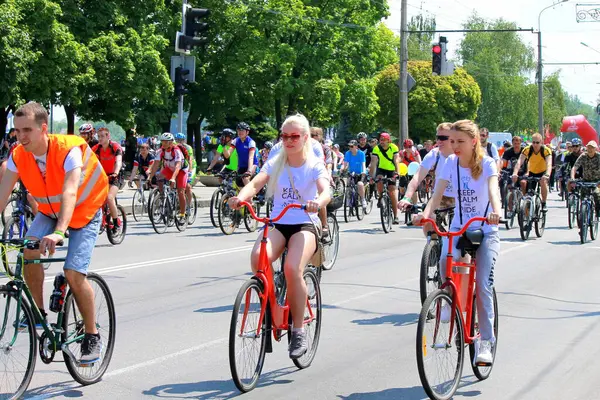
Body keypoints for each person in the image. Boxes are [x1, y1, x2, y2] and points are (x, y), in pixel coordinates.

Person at [0, 102, 108, 363]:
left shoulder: (68, 149)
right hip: (49, 211)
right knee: (28, 251)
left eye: (27, 130)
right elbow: (2, 193)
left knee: (74, 272)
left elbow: (70, 191)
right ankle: (37, 314)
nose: (21, 136)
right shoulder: (18, 155)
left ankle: (91, 336)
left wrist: (60, 232)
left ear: (43, 128)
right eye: (17, 130)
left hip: (84, 211)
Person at [228, 113, 330, 359]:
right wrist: (241, 197)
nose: (288, 140)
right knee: (257, 259)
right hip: (278, 222)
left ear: (305, 137)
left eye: (294, 136)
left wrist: (317, 202)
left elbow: (326, 189)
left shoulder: (314, 163)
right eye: (284, 136)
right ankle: (273, 308)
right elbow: (255, 183)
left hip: (304, 223)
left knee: (292, 268)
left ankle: (298, 329)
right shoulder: (276, 161)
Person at [413, 119, 501, 366]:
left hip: (485, 229)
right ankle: (450, 303)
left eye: (460, 141)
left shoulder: (486, 163)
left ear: (474, 142)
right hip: (459, 228)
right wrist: (426, 214)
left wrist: (496, 211)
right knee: (445, 264)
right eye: (452, 141)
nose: (455, 146)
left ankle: (485, 341)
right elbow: (437, 193)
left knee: (483, 285)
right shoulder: (450, 162)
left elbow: (494, 191)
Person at [400, 123, 454, 210]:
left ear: (453, 138)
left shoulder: (462, 154)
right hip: (439, 196)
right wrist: (407, 197)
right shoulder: (434, 154)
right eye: (437, 138)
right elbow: (417, 177)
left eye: (443, 138)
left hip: (461, 197)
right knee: (429, 220)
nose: (439, 141)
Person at [147, 133, 188, 219]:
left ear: (171, 142)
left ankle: (183, 213)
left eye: (166, 142)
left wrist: (173, 178)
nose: (164, 144)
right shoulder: (160, 151)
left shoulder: (176, 151)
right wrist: (150, 177)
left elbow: (178, 166)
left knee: (180, 191)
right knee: (159, 177)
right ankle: (163, 196)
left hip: (181, 170)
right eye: (162, 142)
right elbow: (155, 165)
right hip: (169, 168)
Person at [92, 127, 123, 231]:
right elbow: (88, 161)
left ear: (108, 136)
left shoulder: (115, 147)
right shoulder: (96, 148)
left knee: (110, 198)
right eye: (98, 136)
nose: (99, 138)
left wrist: (115, 172)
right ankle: (102, 219)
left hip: (115, 176)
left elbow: (118, 161)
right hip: (103, 177)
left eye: (102, 136)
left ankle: (116, 222)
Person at [512, 133, 552, 210]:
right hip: (532, 172)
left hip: (543, 172)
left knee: (543, 182)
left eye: (537, 142)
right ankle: (527, 210)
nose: (535, 144)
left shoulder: (546, 150)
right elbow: (519, 162)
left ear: (541, 142)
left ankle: (543, 203)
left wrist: (547, 174)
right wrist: (515, 173)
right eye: (533, 142)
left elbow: (549, 163)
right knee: (528, 193)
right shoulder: (527, 149)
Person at [370, 132, 401, 224]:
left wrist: (397, 173)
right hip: (381, 169)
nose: (382, 142)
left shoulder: (394, 147)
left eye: (384, 140)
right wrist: (371, 176)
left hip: (391, 170)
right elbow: (374, 163)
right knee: (379, 179)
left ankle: (395, 216)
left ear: (389, 141)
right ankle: (380, 197)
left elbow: (396, 161)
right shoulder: (376, 148)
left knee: (392, 192)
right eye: (381, 140)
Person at [570, 140, 600, 214]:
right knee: (583, 198)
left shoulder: (598, 156)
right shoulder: (583, 156)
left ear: (595, 148)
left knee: (596, 195)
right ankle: (583, 214)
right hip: (585, 181)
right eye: (588, 147)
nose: (590, 149)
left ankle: (597, 213)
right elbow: (575, 167)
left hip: (596, 181)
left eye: (592, 148)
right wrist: (572, 178)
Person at [226, 122, 258, 187]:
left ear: (247, 132)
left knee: (245, 179)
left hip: (252, 165)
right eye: (238, 130)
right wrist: (223, 146)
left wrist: (249, 171)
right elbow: (227, 155)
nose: (240, 132)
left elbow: (251, 157)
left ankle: (250, 196)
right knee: (238, 183)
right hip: (241, 166)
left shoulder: (251, 142)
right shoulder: (236, 141)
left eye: (242, 130)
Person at [342, 140, 367, 208]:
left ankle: (363, 199)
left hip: (360, 173)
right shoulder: (348, 153)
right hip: (352, 172)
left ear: (356, 146)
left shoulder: (361, 153)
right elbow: (345, 163)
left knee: (360, 184)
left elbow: (363, 164)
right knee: (349, 183)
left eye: (351, 146)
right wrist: (342, 169)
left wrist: (363, 172)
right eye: (349, 146)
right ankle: (349, 198)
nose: (350, 148)